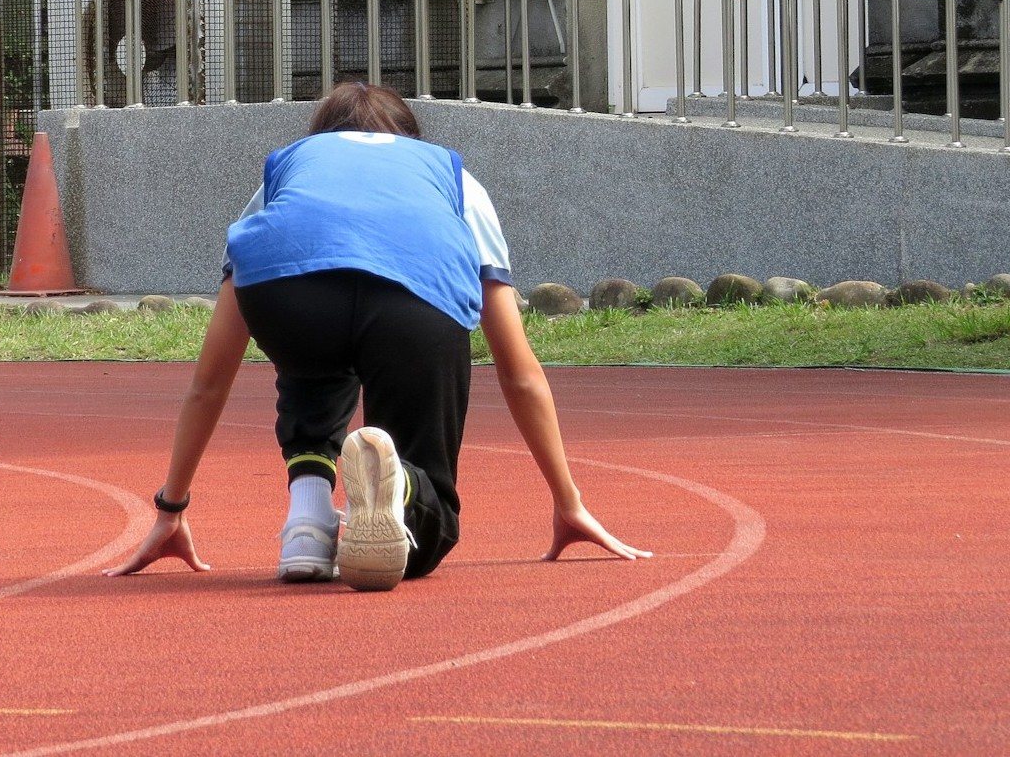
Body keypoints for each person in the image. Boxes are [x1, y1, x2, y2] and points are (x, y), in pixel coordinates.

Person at [105, 82, 648, 591]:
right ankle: (404, 486)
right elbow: (518, 370)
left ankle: (308, 520)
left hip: (291, 305)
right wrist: (567, 500)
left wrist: (170, 506)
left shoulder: (290, 171)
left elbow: (210, 379)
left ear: (320, 137)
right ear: (408, 137)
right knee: (429, 528)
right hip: (413, 305)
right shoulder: (452, 179)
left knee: (314, 359)